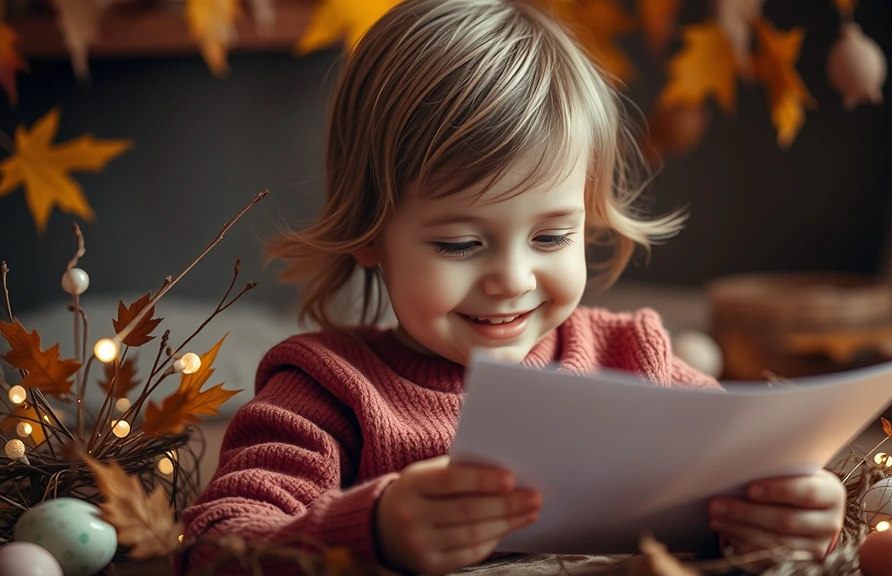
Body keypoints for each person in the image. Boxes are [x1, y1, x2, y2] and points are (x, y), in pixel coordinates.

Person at [175, 0, 846, 574]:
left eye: (552, 238)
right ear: (370, 232)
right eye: (461, 244)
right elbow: (209, 548)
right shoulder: (325, 392)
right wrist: (373, 528)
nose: (513, 280)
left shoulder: (633, 360)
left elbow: (747, 481)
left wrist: (793, 514)